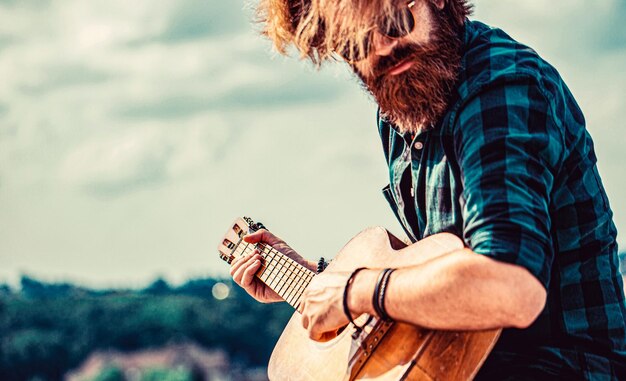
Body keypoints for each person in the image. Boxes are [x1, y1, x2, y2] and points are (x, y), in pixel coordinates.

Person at [228, 0, 626, 379]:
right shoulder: (401, 105)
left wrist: (354, 289)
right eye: (357, 42)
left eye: (395, 22)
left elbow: (511, 284)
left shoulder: (501, 89)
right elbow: (426, 278)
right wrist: (319, 281)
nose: (384, 47)